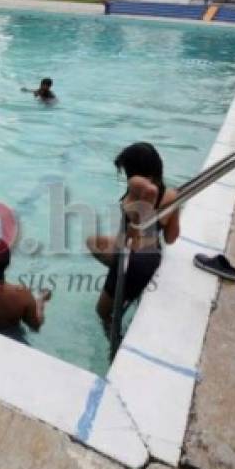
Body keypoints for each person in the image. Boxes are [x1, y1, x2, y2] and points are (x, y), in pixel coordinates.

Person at [86, 142, 179, 335]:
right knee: (93, 242)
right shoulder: (171, 195)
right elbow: (171, 238)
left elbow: (150, 191)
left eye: (128, 171)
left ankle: (114, 344)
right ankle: (131, 290)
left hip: (130, 261)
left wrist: (142, 212)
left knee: (102, 313)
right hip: (152, 255)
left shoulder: (140, 188)